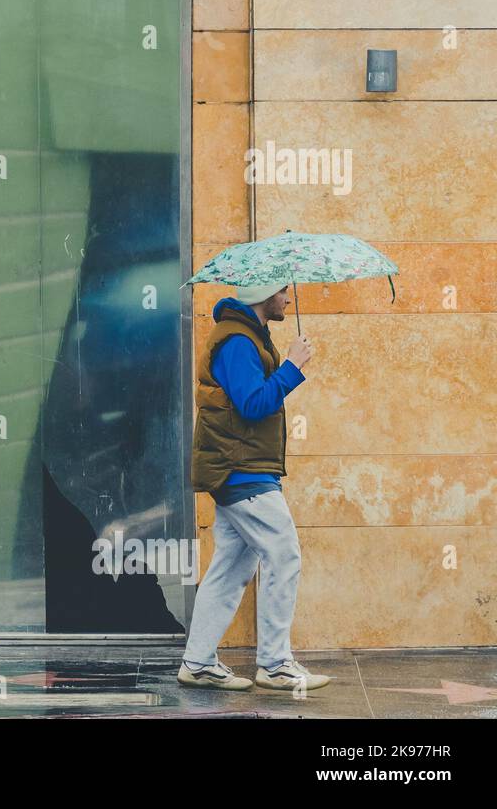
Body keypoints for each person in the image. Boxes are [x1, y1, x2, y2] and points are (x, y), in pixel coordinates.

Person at [179, 284, 331, 692]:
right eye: (282, 291)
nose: (287, 299)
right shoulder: (237, 341)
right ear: (263, 293)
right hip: (242, 470)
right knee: (284, 556)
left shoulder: (246, 336)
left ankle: (197, 663)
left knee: (230, 569)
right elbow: (251, 403)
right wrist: (293, 367)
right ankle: (276, 664)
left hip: (241, 468)